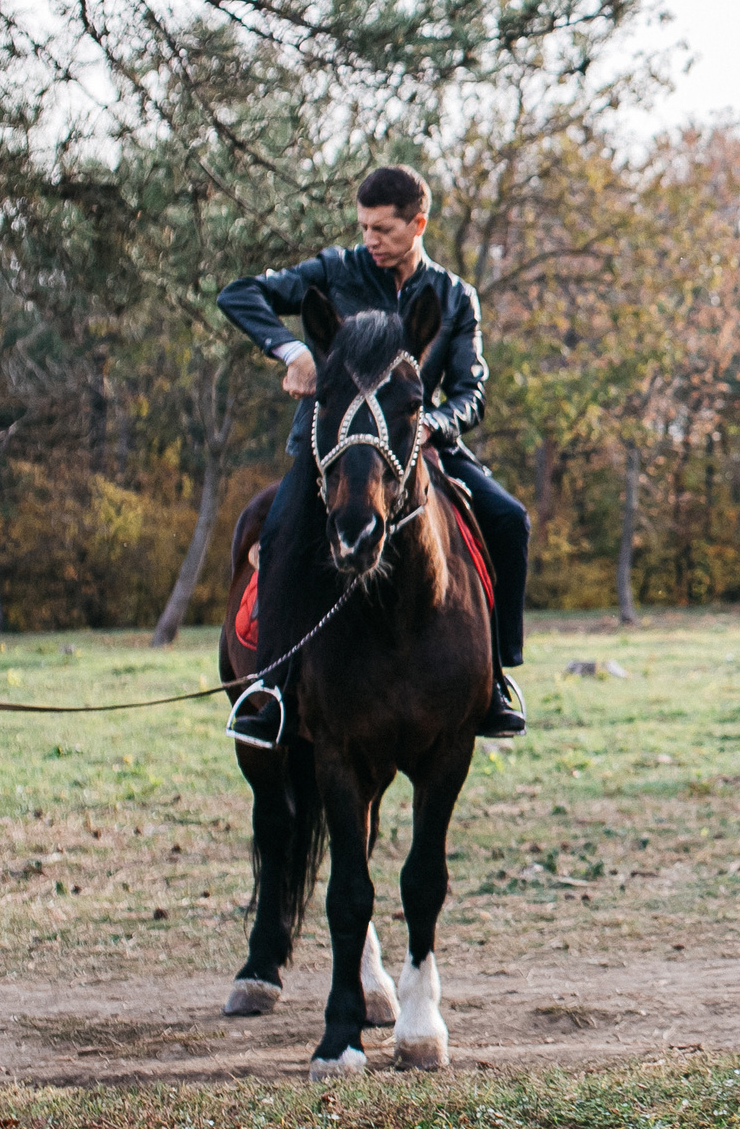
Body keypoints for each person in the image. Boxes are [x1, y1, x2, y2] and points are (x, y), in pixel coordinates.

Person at [218, 165, 529, 746]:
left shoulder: (455, 297)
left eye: (383, 230)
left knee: (510, 520)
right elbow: (240, 294)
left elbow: (471, 391)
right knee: (281, 535)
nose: (370, 241)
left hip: (417, 447)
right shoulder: (337, 271)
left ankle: (496, 679)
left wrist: (432, 424)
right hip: (331, 453)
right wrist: (292, 350)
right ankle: (276, 694)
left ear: (419, 224)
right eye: (363, 227)